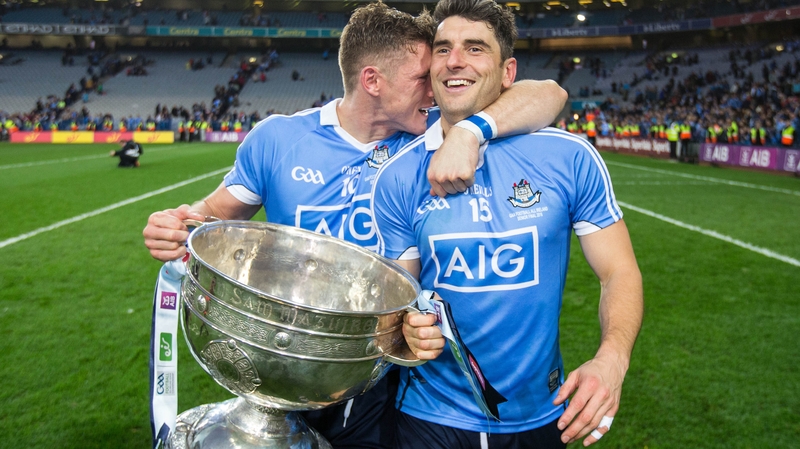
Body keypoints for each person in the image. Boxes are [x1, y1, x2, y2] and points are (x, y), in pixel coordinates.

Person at [143, 3, 565, 448]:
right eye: (422, 79)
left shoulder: (427, 145)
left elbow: (550, 94)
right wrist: (176, 225)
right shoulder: (279, 140)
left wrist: (470, 131)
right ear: (373, 82)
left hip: (374, 383)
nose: (436, 90)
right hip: (279, 363)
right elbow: (214, 216)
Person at [370, 0, 643, 447]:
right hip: (428, 418)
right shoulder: (398, 177)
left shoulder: (568, 158)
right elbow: (394, 303)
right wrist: (403, 332)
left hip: (542, 413)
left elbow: (619, 272)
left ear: (508, 72)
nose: (455, 60)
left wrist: (612, 360)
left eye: (475, 48)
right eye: (443, 49)